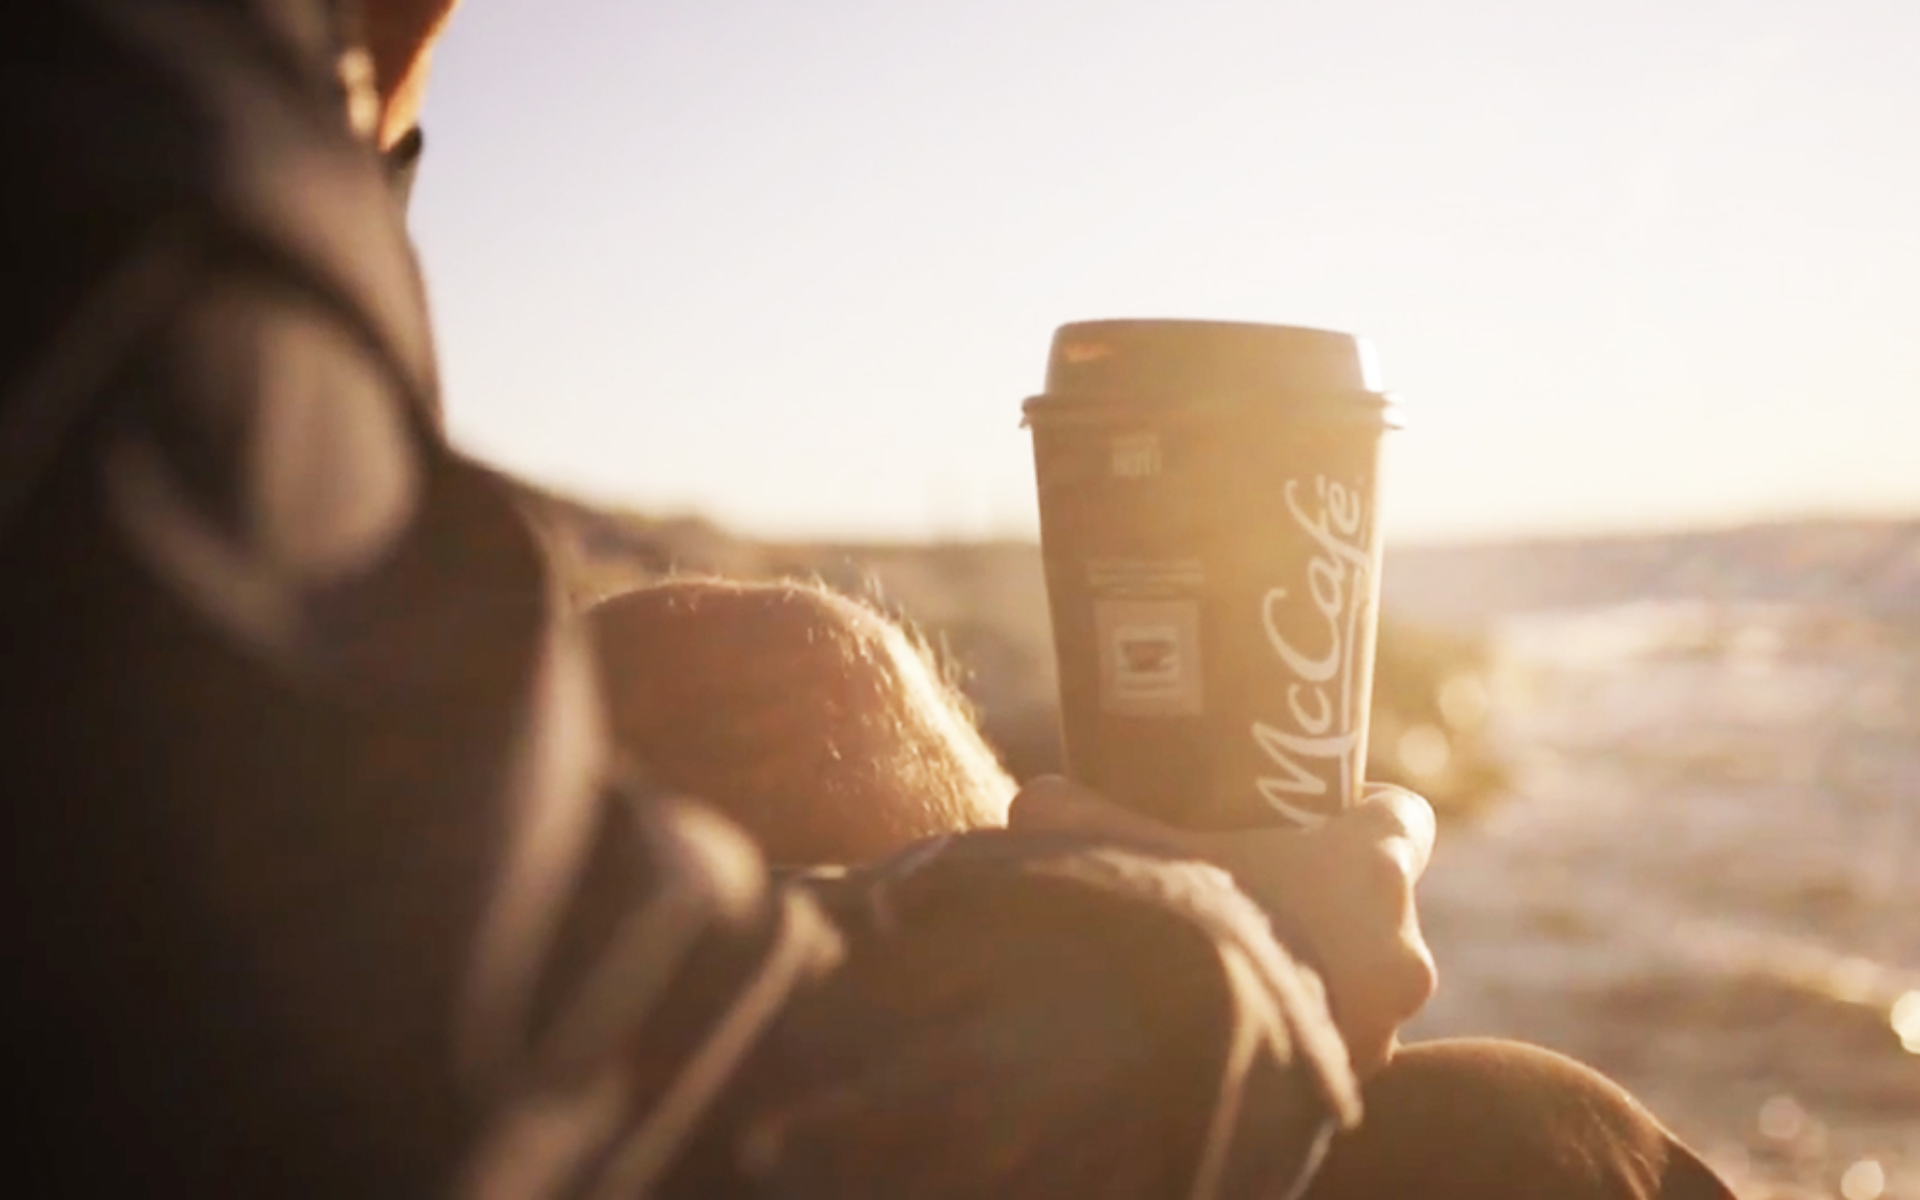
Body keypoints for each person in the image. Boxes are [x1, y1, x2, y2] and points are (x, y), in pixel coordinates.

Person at [0, 2, 1735, 1196]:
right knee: (1520, 1150)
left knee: (797, 680)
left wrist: (361, 98)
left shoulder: (203, 129)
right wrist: (1239, 956)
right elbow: (462, 1083)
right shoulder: (135, 131)